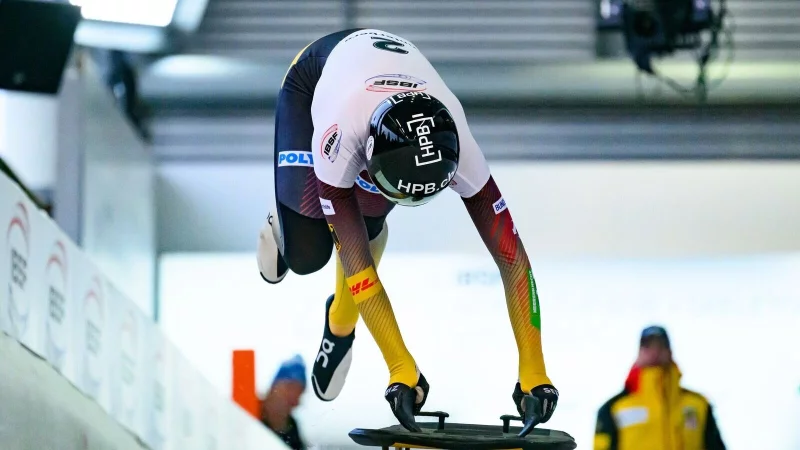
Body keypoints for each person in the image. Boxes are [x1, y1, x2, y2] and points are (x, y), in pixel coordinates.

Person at [256, 28, 558, 436]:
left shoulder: (461, 146)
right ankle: (285, 224)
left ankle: (338, 322)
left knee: (368, 219)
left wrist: (535, 372)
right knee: (307, 255)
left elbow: (513, 260)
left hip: (375, 88)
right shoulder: (340, 137)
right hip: (315, 80)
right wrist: (401, 366)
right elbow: (358, 266)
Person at [593, 326, 726, 450]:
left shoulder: (698, 405)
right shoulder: (614, 408)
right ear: (639, 353)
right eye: (648, 346)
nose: (655, 352)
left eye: (661, 346)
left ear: (670, 352)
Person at [259, 355, 307, 450]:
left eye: (299, 393)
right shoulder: (248, 413)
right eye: (290, 388)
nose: (294, 400)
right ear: (274, 388)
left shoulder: (293, 430)